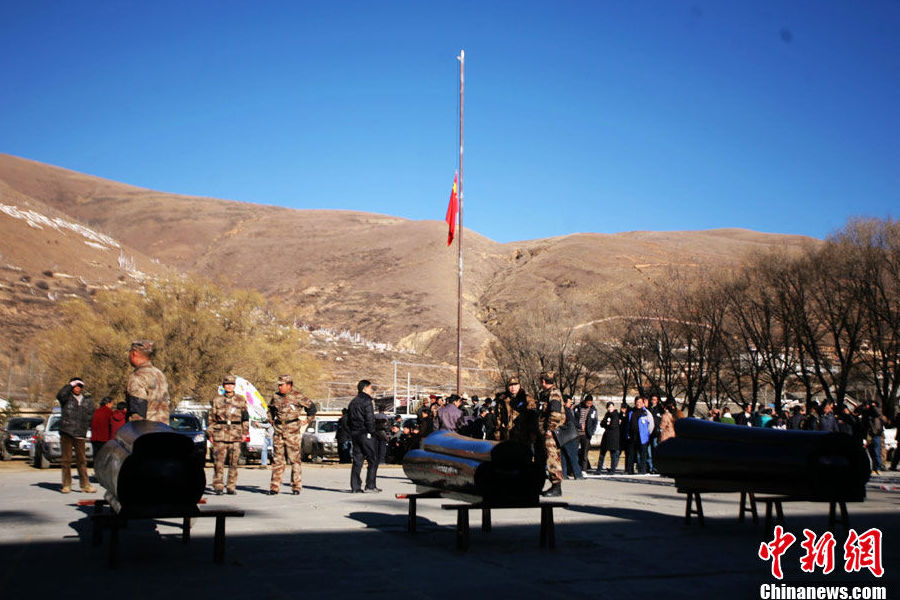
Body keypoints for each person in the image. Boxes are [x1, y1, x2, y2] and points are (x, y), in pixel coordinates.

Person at [267, 375, 315, 495]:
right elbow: (270, 410)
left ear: (289, 385)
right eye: (278, 385)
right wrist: (271, 420)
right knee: (278, 460)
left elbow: (312, 408)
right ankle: (274, 487)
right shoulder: (275, 396)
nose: (279, 387)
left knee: (294, 460)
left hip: (292, 431)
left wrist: (308, 420)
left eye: (281, 385)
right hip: (278, 431)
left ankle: (296, 487)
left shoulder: (298, 396)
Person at [209, 375, 249, 495]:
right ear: (223, 386)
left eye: (231, 384)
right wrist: (210, 433)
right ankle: (218, 486)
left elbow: (245, 418)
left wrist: (245, 433)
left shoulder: (241, 400)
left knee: (234, 462)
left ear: (234, 386)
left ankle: (231, 486)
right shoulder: (217, 400)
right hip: (220, 434)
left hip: (235, 434)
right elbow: (212, 418)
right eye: (227, 384)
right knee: (218, 463)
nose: (229, 386)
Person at [56, 378, 96, 494]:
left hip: (80, 432)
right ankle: (66, 484)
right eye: (75, 386)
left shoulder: (87, 400)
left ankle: (85, 485)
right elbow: (60, 395)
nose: (77, 388)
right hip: (66, 431)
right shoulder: (66, 398)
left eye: (80, 386)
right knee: (66, 460)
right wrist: (69, 385)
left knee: (82, 460)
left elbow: (90, 415)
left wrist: (85, 426)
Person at [126, 339, 170, 423]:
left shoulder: (138, 376)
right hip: (163, 429)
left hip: (145, 431)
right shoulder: (159, 374)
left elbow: (137, 410)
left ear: (134, 353)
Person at [348, 379, 380, 493]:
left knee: (357, 461)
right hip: (365, 433)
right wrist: (372, 432)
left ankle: (355, 487)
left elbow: (348, 419)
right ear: (365, 388)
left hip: (355, 433)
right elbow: (370, 419)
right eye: (371, 388)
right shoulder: (367, 402)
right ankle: (370, 485)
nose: (372, 390)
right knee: (373, 459)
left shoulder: (353, 402)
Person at [537, 371, 565, 497]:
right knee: (544, 458)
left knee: (552, 458)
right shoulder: (545, 394)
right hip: (544, 431)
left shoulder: (554, 394)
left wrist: (549, 429)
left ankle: (556, 486)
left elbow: (555, 413)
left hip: (551, 433)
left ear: (543, 381)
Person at [558, 395, 583, 480]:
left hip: (560, 437)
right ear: (565, 402)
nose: (571, 404)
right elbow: (571, 421)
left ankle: (564, 474)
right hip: (569, 435)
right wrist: (580, 426)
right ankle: (578, 474)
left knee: (563, 456)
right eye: (569, 402)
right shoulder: (566, 410)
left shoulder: (558, 409)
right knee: (573, 455)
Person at [628, 397, 655, 474]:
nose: (638, 403)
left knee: (643, 454)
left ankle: (642, 470)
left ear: (643, 403)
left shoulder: (646, 412)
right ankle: (630, 470)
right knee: (631, 454)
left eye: (640, 402)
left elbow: (651, 425)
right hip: (633, 436)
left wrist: (647, 434)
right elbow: (628, 424)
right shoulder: (631, 412)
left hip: (643, 437)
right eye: (637, 402)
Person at [574, 395, 598, 472]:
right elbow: (573, 419)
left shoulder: (593, 410)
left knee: (585, 452)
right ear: (585, 401)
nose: (589, 405)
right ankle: (574, 469)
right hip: (577, 433)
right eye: (588, 403)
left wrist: (592, 431)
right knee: (574, 451)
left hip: (586, 434)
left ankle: (584, 469)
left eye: (590, 403)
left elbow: (595, 422)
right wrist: (579, 425)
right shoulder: (577, 408)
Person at [598, 402, 621, 474]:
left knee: (613, 454)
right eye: (608, 407)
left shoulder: (616, 415)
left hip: (613, 437)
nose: (609, 408)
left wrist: (607, 424)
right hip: (606, 436)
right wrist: (606, 424)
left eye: (611, 407)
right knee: (602, 453)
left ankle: (613, 469)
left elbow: (613, 425)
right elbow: (602, 423)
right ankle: (599, 468)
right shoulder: (607, 414)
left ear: (614, 407)